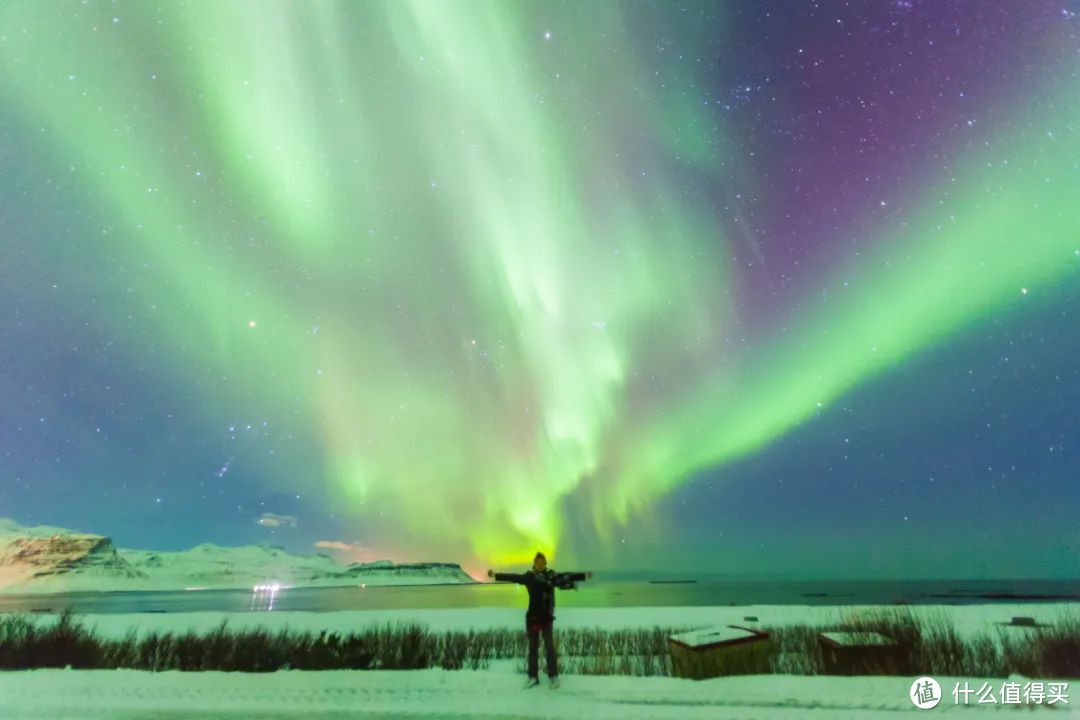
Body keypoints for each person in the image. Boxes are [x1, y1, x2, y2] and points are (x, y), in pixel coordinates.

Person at [487, 552, 592, 688]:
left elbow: (567, 576)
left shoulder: (551, 576)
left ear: (545, 564)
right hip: (532, 618)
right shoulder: (529, 577)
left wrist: (582, 576)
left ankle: (553, 676)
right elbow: (514, 577)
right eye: (538, 562)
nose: (540, 565)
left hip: (546, 618)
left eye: (543, 563)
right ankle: (532, 677)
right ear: (534, 563)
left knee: (549, 648)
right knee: (533, 649)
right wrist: (495, 575)